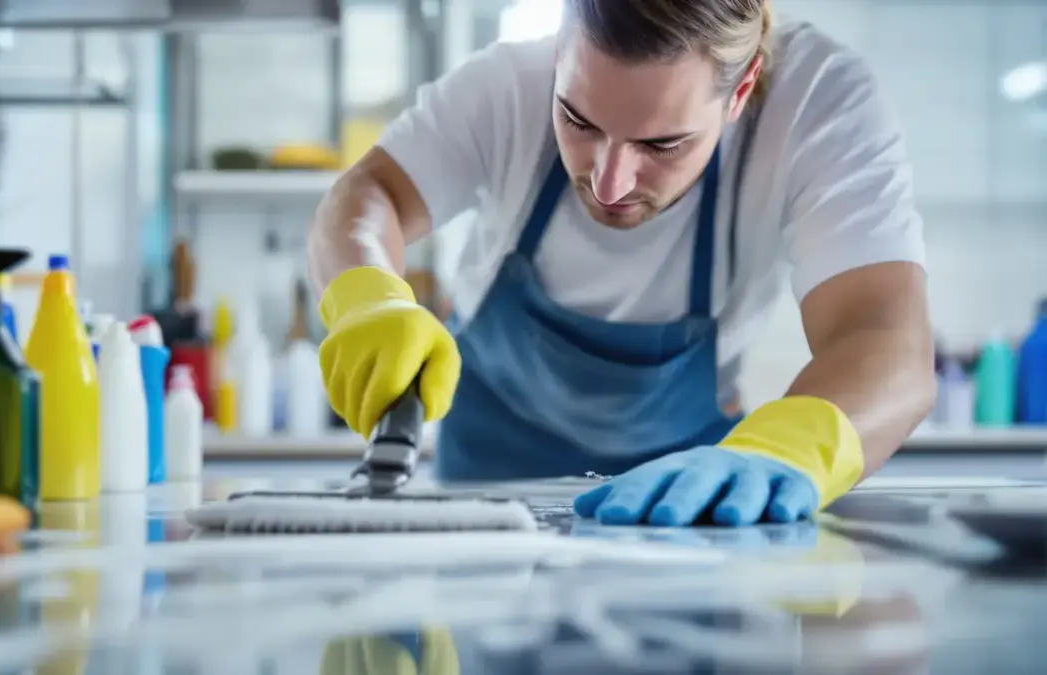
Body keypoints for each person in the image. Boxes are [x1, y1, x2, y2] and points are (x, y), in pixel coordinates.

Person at [307, 0, 935, 527]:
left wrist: (790, 449)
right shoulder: (504, 87)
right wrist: (370, 298)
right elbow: (369, 195)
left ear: (739, 92)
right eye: (577, 120)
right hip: (488, 498)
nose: (609, 185)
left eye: (662, 144)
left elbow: (884, 337)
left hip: (685, 504)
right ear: (560, 56)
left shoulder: (816, 104)